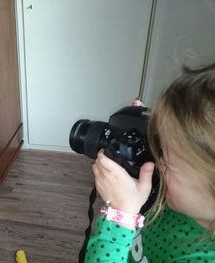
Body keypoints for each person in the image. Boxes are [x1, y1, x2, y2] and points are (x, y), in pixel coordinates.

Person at [84, 63, 215, 262]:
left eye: (168, 163)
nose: (158, 163)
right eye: (158, 146)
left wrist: (119, 216)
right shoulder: (192, 202)